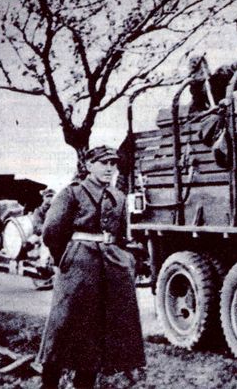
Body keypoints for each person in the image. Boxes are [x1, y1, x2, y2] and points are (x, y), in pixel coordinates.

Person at [37, 146, 145, 388]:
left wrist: (125, 259)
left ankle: (84, 383)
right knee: (63, 327)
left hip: (110, 270)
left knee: (97, 332)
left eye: (113, 164)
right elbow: (51, 231)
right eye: (103, 163)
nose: (109, 168)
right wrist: (65, 259)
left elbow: (122, 235)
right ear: (88, 165)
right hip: (77, 268)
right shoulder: (72, 193)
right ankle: (49, 383)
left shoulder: (117, 197)